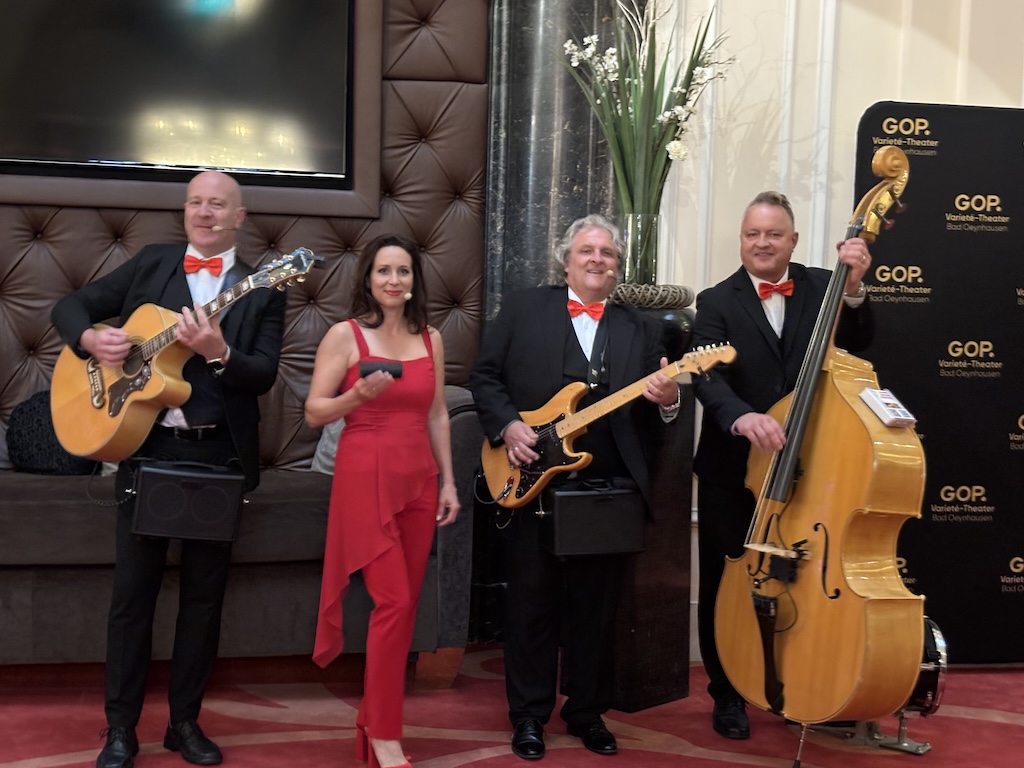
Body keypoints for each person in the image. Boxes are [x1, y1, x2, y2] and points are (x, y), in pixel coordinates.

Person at [50, 170, 287, 768]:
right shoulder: (153, 262)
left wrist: (219, 353)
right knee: (132, 598)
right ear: (184, 211)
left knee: (203, 602)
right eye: (195, 202)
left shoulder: (264, 286)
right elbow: (71, 306)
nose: (204, 213)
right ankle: (120, 729)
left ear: (239, 217)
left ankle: (184, 722)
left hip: (217, 456)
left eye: (218, 204)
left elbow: (263, 374)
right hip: (147, 450)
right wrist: (90, 341)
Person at [470, 214, 682, 760]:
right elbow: (484, 377)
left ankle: (587, 711)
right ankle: (528, 716)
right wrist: (508, 426)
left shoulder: (642, 328)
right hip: (530, 481)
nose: (596, 259)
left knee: (597, 610)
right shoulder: (523, 309)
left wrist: (669, 401)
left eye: (607, 253)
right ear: (565, 260)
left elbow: (656, 412)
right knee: (531, 607)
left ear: (617, 268)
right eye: (586, 250)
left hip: (608, 489)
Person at [689, 190, 875, 740]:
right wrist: (741, 417)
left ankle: (799, 684)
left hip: (809, 467)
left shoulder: (823, 285)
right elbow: (705, 376)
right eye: (753, 234)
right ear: (741, 240)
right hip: (732, 469)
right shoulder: (715, 300)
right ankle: (727, 693)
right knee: (726, 578)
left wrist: (855, 288)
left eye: (773, 234)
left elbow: (860, 346)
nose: (762, 243)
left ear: (793, 240)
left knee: (801, 579)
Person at [304, 234, 460, 768]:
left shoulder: (431, 338)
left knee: (404, 607)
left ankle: (372, 726)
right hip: (364, 480)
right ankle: (387, 736)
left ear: (414, 280)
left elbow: (437, 414)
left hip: (418, 480)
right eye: (384, 271)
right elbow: (314, 412)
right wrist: (355, 396)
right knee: (392, 602)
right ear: (368, 279)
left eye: (403, 271)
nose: (394, 280)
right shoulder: (344, 336)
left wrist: (448, 482)